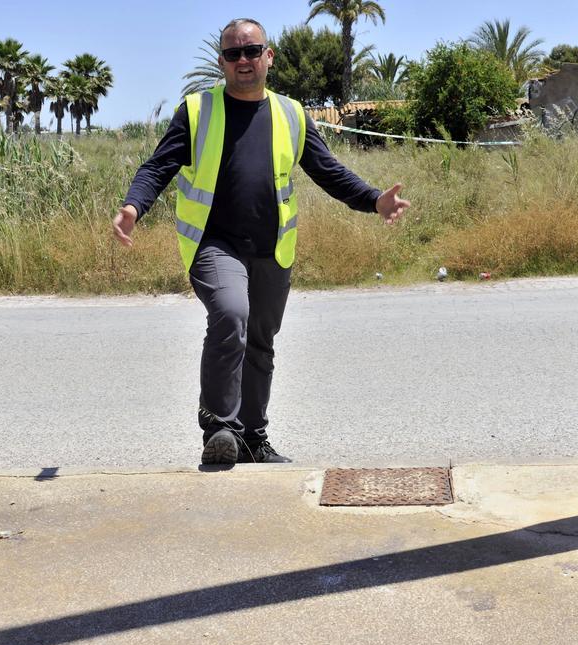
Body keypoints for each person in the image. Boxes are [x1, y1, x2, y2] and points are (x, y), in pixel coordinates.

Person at [112, 17, 411, 465]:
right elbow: (158, 166)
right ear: (222, 62)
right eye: (233, 53)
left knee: (261, 340)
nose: (244, 60)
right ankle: (218, 427)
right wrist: (134, 206)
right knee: (232, 314)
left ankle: (253, 438)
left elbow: (327, 171)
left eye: (252, 51)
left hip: (273, 246)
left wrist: (373, 200)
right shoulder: (197, 111)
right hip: (213, 244)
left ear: (269, 56)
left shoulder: (290, 113)